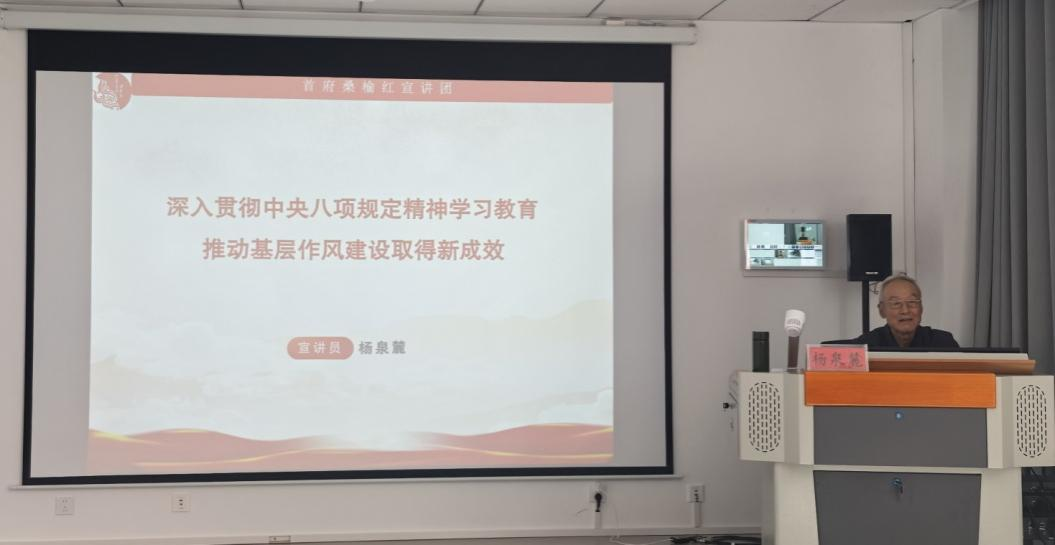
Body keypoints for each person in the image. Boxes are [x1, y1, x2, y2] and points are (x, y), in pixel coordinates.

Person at [848, 274, 959, 348]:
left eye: (912, 302)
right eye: (896, 303)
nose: (905, 310)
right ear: (882, 310)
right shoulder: (866, 345)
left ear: (921, 308)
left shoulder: (943, 343)